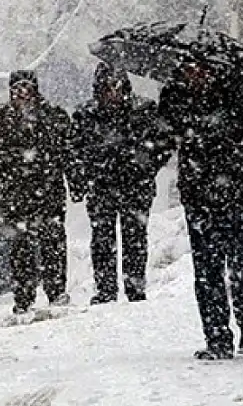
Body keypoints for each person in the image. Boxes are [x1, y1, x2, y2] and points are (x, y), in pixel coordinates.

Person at [158, 61, 243, 360]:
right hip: (200, 198)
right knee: (207, 272)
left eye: (199, 68)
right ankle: (217, 338)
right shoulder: (175, 96)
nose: (195, 73)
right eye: (189, 68)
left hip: (241, 194)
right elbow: (161, 140)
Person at [0, 70, 73, 315]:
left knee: (53, 243)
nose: (23, 94)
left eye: (27, 88)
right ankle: (24, 296)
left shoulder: (54, 118)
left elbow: (69, 153)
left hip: (48, 192)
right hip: (15, 194)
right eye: (18, 88)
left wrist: (77, 182)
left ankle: (56, 290)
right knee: (21, 248)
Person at [69, 63, 170, 305]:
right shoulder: (85, 115)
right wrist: (81, 179)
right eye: (106, 87)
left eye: (116, 86)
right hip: (101, 186)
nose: (112, 93)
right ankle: (105, 289)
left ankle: (134, 288)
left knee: (134, 238)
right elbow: (74, 152)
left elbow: (162, 144)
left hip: (135, 186)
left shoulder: (144, 111)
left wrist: (146, 167)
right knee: (102, 239)